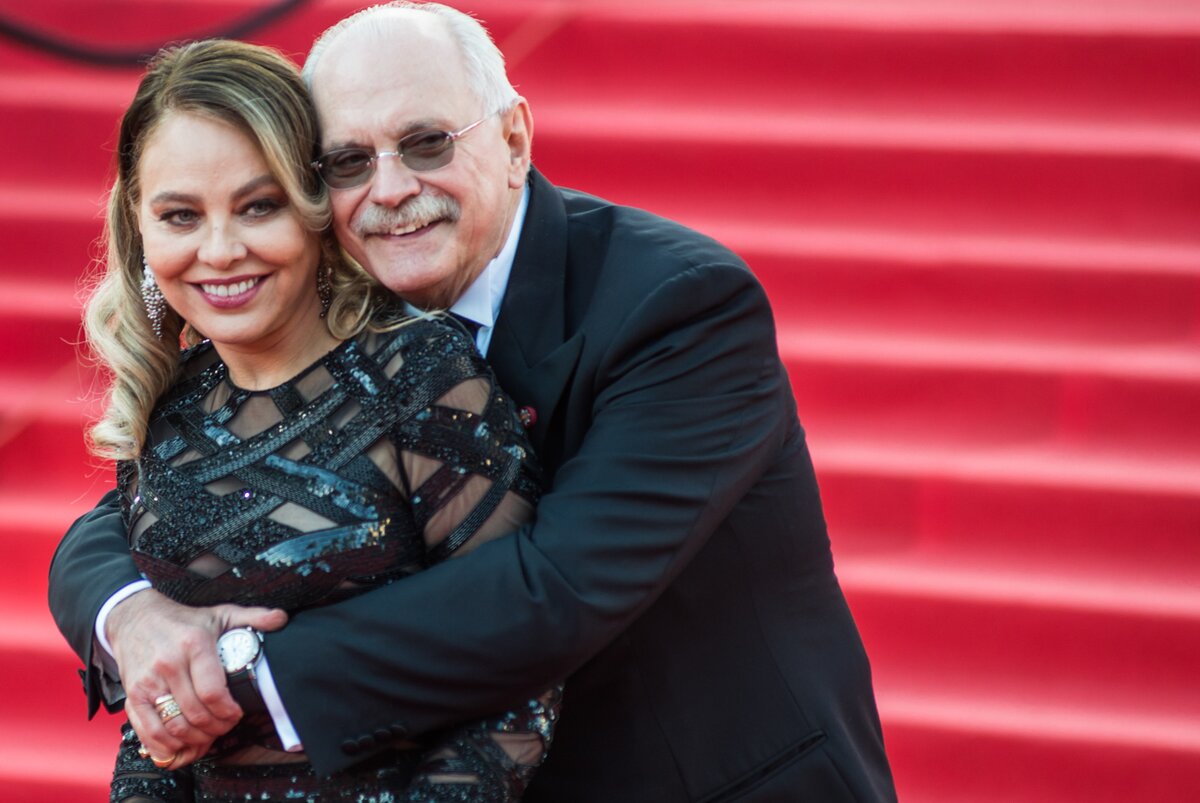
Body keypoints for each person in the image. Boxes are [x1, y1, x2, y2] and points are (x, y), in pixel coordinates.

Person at [50, 3, 898, 800]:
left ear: (514, 138)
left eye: (425, 143)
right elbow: (153, 506)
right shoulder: (342, 323)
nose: (389, 189)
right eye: (349, 162)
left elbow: (553, 587)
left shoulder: (676, 305)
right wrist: (133, 616)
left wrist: (231, 670)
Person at [63, 37, 557, 802]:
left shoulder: (418, 372)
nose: (220, 251)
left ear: (315, 208)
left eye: (259, 206)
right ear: (139, 224)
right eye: (181, 215)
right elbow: (164, 717)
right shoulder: (168, 403)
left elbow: (518, 674)